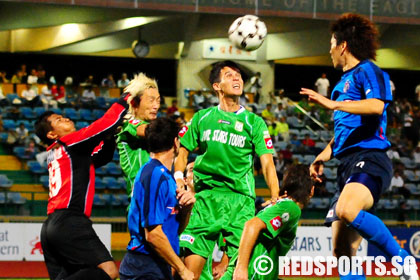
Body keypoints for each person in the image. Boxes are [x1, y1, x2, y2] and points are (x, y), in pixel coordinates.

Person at [300, 13, 418, 280]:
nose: (329, 49)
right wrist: (323, 155)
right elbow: (344, 131)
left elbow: (377, 106)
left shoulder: (369, 71)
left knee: (347, 210)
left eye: (331, 43)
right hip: (346, 165)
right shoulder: (341, 84)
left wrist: (333, 104)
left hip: (371, 157)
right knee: (342, 252)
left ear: (343, 45)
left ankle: (404, 262)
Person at [174, 60, 279, 279]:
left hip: (240, 202)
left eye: (239, 76)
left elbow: (267, 163)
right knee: (188, 273)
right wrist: (179, 178)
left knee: (237, 274)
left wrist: (275, 195)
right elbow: (182, 152)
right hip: (205, 200)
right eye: (229, 75)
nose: (237, 79)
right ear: (216, 86)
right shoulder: (202, 118)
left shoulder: (254, 122)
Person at [34, 92, 130, 280]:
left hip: (51, 225)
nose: (66, 118)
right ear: (52, 134)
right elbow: (104, 124)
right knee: (109, 271)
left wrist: (110, 137)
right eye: (59, 120)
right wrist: (126, 98)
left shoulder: (60, 153)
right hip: (70, 221)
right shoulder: (70, 142)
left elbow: (100, 157)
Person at [119, 117, 195, 280]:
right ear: (176, 142)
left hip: (157, 265)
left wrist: (186, 210)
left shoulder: (165, 177)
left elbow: (174, 230)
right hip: (144, 266)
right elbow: (153, 234)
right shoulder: (154, 175)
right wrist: (182, 269)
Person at [220, 164, 314, 280]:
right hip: (251, 275)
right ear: (312, 191)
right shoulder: (291, 208)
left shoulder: (280, 206)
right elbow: (251, 225)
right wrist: (241, 268)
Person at [117, 73, 160, 198]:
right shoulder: (128, 124)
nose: (156, 106)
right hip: (141, 200)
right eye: (151, 100)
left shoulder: (157, 127)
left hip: (159, 198)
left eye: (158, 101)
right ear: (135, 103)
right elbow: (149, 131)